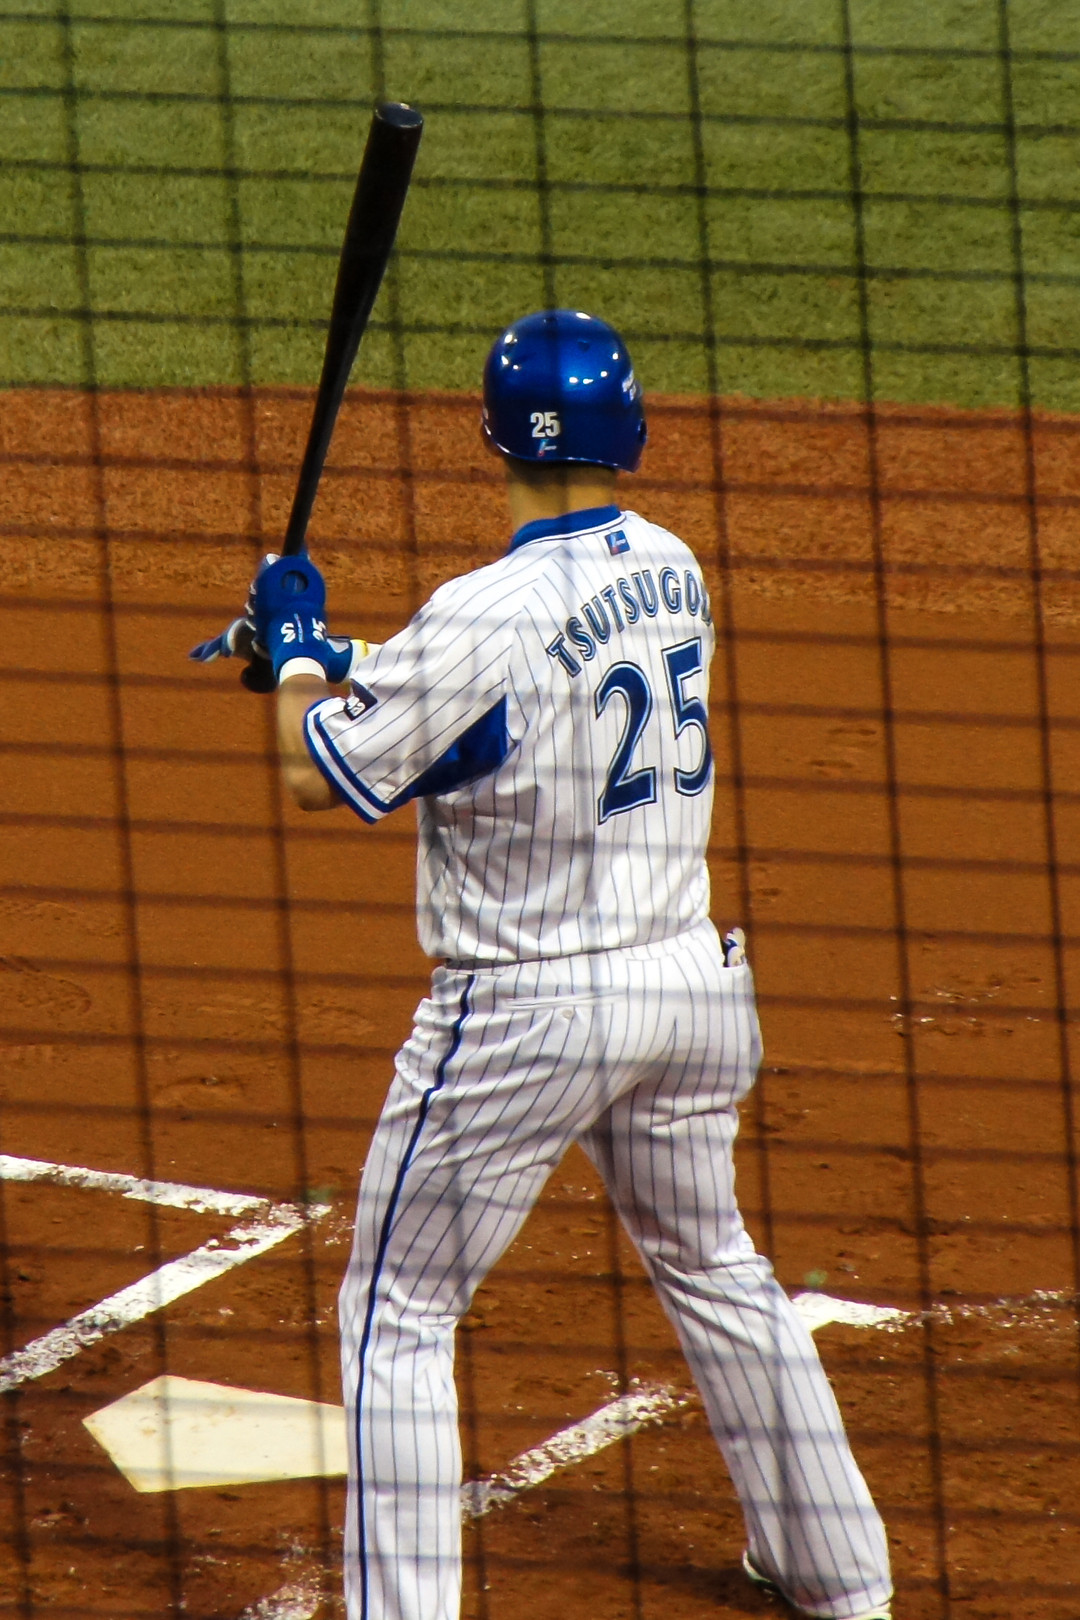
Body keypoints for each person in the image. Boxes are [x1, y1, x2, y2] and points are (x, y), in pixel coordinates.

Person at [192, 310, 893, 1620]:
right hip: (688, 992)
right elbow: (504, 699)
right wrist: (339, 657)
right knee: (716, 1263)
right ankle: (841, 1577)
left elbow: (318, 773)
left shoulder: (480, 610)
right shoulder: (674, 568)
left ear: (492, 434)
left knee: (397, 1310)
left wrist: (291, 656)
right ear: (629, 429)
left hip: (529, 1020)